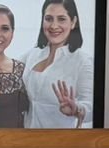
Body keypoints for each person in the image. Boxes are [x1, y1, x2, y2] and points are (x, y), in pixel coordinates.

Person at [22, 0, 92, 129]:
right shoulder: (32, 54)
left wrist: (76, 109)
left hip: (61, 143)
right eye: (48, 19)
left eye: (61, 19)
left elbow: (92, 108)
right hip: (27, 142)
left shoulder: (83, 61)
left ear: (73, 22)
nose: (54, 26)